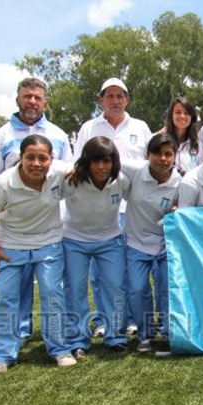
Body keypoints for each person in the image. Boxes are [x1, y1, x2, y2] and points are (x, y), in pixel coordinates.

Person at [0, 77, 73, 347]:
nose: (32, 101)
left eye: (37, 97)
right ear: (18, 99)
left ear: (45, 102)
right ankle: (18, 336)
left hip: (48, 229)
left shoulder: (57, 134)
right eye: (27, 96)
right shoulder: (1, 136)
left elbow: (68, 174)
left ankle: (55, 343)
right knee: (13, 291)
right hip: (13, 229)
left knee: (52, 291)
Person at [0, 135, 75, 375]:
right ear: (20, 158)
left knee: (53, 294)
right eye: (30, 157)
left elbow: (79, 169)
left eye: (42, 158)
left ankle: (59, 349)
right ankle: (3, 355)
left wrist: (77, 171)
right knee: (7, 299)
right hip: (11, 245)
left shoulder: (60, 172)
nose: (36, 163)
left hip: (49, 243)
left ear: (51, 159)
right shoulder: (3, 183)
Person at [73, 77, 152, 337]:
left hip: (131, 208)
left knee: (124, 271)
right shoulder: (89, 127)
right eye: (110, 96)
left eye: (120, 96)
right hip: (99, 208)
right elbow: (78, 165)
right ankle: (103, 320)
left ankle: (127, 318)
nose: (115, 101)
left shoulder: (140, 127)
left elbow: (148, 166)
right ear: (101, 100)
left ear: (127, 99)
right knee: (98, 274)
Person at [62, 136, 131, 359]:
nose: (101, 167)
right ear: (86, 162)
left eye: (106, 161)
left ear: (113, 162)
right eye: (95, 161)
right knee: (75, 289)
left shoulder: (121, 180)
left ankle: (116, 337)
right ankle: (78, 340)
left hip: (110, 240)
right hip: (74, 240)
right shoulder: (71, 179)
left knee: (116, 288)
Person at [120, 134, 181, 354]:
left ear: (175, 156)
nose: (163, 159)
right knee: (137, 290)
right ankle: (145, 334)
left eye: (168, 154)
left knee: (166, 290)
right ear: (148, 155)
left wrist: (176, 211)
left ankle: (167, 331)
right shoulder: (135, 170)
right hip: (136, 242)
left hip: (166, 245)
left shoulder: (180, 182)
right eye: (158, 153)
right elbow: (108, 156)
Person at [160, 97, 198, 174]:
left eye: (186, 113)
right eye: (178, 112)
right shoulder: (160, 139)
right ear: (171, 115)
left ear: (192, 117)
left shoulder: (199, 142)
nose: (182, 116)